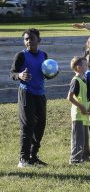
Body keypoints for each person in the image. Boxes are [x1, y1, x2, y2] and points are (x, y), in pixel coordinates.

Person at [10, 28, 53, 167]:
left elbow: (47, 74)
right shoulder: (21, 56)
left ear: (38, 40)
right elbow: (12, 73)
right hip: (26, 93)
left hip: (40, 94)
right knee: (27, 126)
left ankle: (33, 157)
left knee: (40, 126)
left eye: (31, 38)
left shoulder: (44, 55)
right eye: (26, 39)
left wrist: (52, 73)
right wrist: (20, 75)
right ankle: (23, 159)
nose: (29, 41)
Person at [67, 56, 90, 164]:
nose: (87, 66)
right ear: (78, 67)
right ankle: (75, 159)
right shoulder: (75, 80)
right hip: (78, 114)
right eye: (85, 65)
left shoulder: (84, 79)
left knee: (85, 138)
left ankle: (85, 157)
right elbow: (70, 97)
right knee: (78, 139)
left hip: (85, 115)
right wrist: (81, 106)